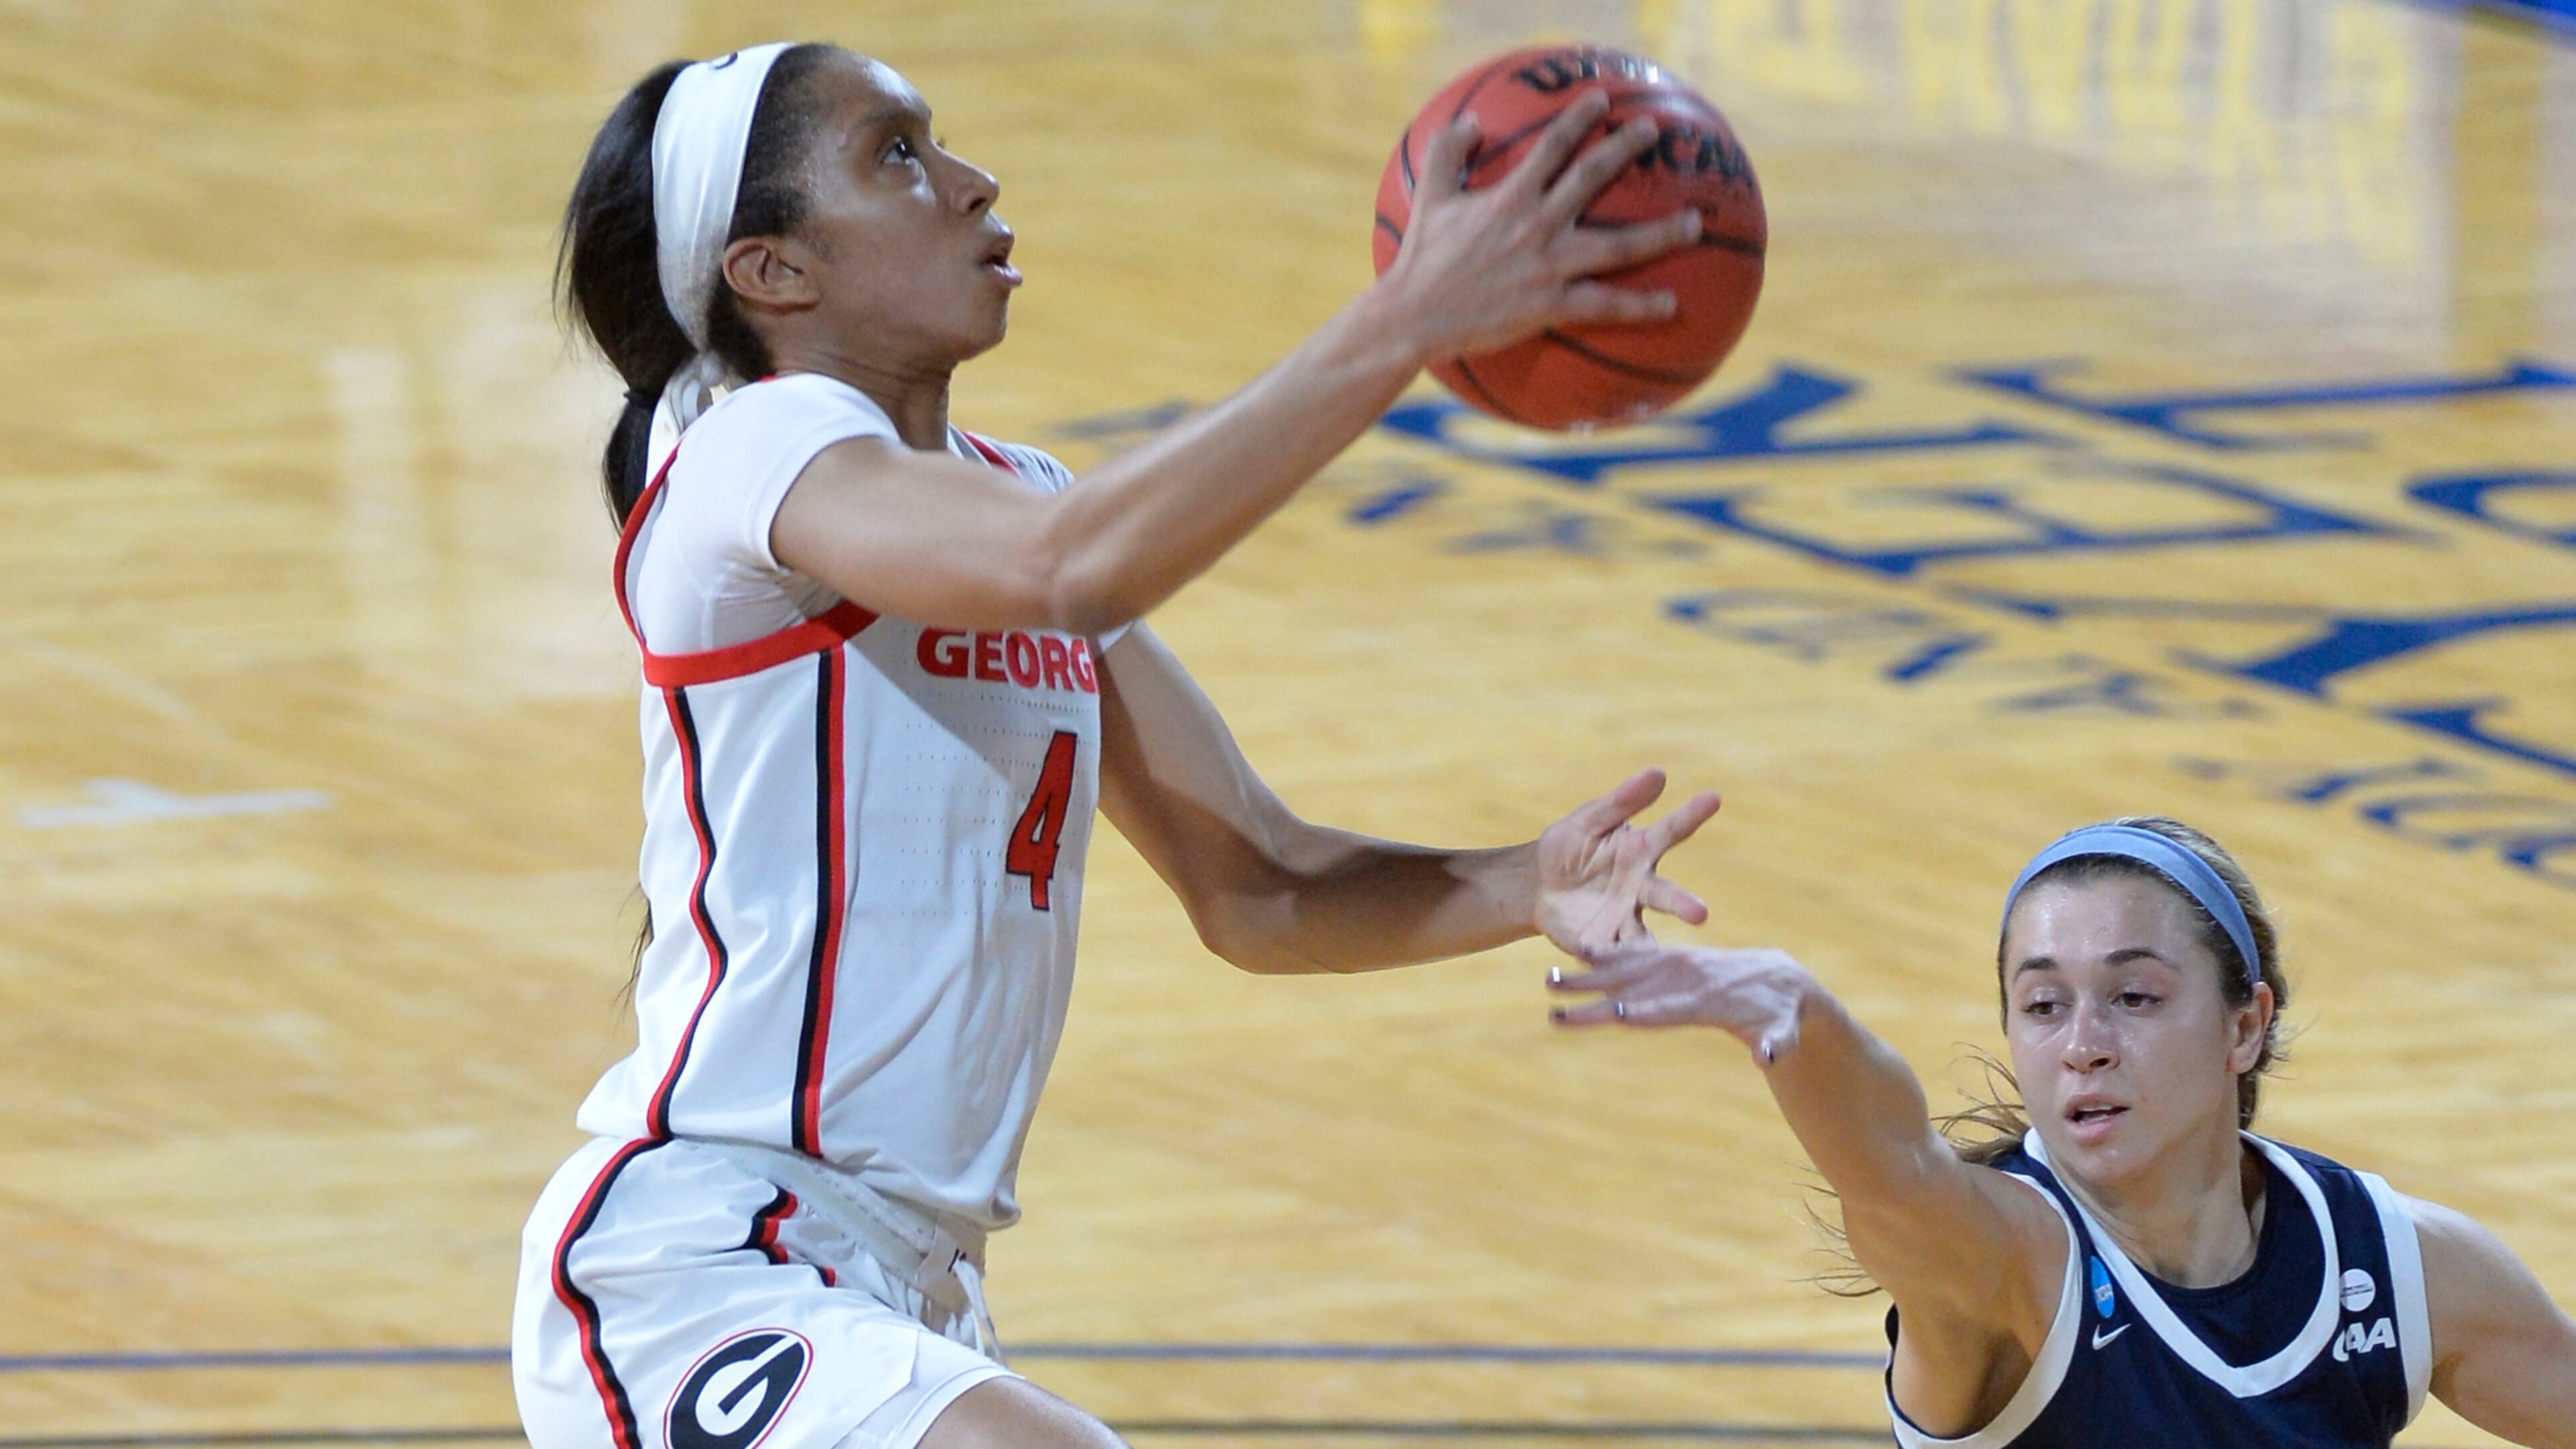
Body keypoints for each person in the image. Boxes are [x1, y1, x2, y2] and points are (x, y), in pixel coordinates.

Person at [515, 38, 1722, 1449]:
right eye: (897, 156)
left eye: (940, 141)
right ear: (773, 275)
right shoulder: (743, 453)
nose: (969, 183)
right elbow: (1070, 570)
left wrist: (1528, 884)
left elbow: (1260, 884)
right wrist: (1403, 323)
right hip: (712, 1264)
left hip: (911, 1298)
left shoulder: (1014, 499)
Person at [1552, 816, 2576, 1446]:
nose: (2082, 1044)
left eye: (2132, 997)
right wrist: (1795, 1017)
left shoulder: (2397, 1266)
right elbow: (1896, 1170)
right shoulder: (2009, 1263)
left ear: (2244, 1026)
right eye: (2043, 1006)